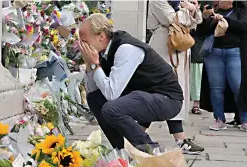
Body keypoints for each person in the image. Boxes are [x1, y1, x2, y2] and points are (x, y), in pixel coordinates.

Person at [78, 13, 202, 154]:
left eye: (85, 41)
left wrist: (95, 65)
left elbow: (112, 94)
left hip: (167, 99)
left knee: (111, 108)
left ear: (101, 36)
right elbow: (93, 91)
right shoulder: (102, 51)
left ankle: (150, 149)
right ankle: (120, 150)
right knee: (95, 99)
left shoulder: (126, 48)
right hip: (143, 96)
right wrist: (89, 65)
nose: (82, 46)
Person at [147, 0, 204, 153]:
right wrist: (189, 10)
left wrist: (191, 10)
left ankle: (179, 137)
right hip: (163, 48)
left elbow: (195, 21)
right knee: (159, 90)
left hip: (179, 46)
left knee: (173, 91)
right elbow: (172, 19)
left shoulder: (179, 1)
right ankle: (134, 133)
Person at [198, 1, 247, 131]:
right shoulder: (213, 11)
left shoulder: (240, 11)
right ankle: (219, 119)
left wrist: (225, 19)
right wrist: (205, 18)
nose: (218, 1)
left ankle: (244, 119)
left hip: (234, 52)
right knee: (216, 87)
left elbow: (243, 26)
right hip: (214, 53)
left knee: (238, 86)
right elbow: (201, 32)